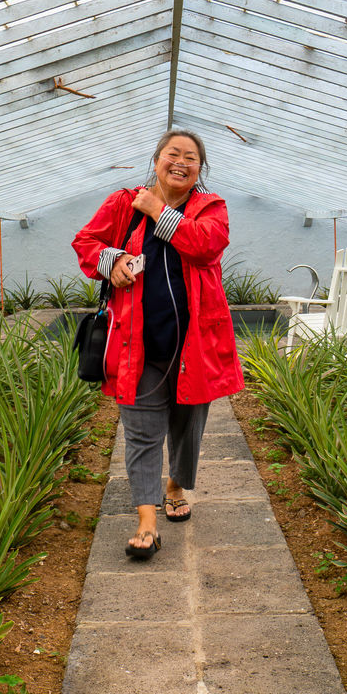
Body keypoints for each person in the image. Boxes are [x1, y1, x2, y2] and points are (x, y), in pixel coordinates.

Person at [72, 130, 244, 559]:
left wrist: (158, 210)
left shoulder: (211, 208)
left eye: (191, 157)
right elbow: (86, 243)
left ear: (200, 168)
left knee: (188, 425)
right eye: (173, 154)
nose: (181, 161)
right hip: (137, 343)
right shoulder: (121, 203)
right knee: (142, 431)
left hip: (194, 343)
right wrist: (113, 262)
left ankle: (175, 485)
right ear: (156, 159)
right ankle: (147, 520)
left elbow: (206, 246)